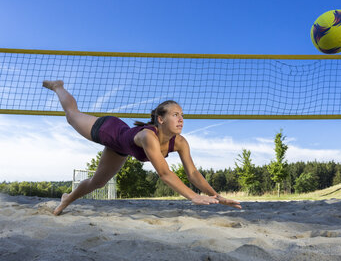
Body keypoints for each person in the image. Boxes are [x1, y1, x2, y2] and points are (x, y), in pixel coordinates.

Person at [42, 80, 241, 215]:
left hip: (121, 149)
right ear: (161, 120)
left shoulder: (180, 142)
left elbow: (193, 173)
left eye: (182, 115)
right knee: (71, 115)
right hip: (110, 130)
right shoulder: (148, 136)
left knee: (97, 183)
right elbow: (164, 173)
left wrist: (216, 196)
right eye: (175, 115)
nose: (181, 119)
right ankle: (58, 86)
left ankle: (67, 198)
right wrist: (193, 196)